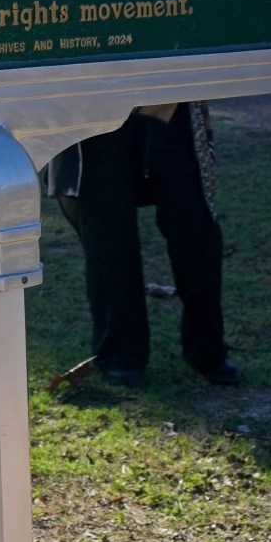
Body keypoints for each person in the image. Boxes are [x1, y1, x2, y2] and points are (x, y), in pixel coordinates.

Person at [43, 102, 242, 387]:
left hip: (172, 92)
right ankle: (120, 355)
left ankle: (209, 350)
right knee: (108, 235)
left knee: (196, 224)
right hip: (93, 101)